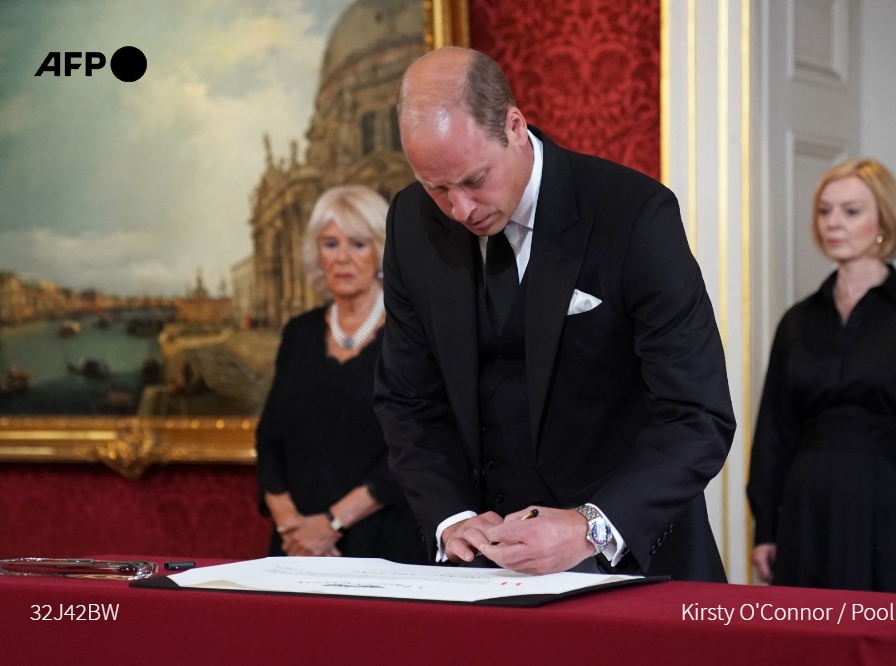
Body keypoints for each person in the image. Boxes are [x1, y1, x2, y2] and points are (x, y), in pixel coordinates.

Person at [373, 47, 735, 579]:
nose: (460, 209)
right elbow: (408, 401)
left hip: (633, 567)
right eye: (437, 188)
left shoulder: (633, 214)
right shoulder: (410, 221)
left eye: (474, 180)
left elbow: (698, 417)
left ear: (515, 127)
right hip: (480, 576)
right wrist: (452, 518)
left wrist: (590, 528)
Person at [747, 158, 896, 594]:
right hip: (807, 508)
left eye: (851, 211)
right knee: (809, 632)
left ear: (884, 221)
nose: (833, 222)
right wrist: (766, 529)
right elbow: (774, 434)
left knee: (891, 630)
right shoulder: (796, 321)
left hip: (893, 503)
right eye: (824, 211)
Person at [256, 185, 425, 564]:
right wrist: (292, 528)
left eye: (358, 244)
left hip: (385, 544)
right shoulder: (299, 333)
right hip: (297, 549)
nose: (342, 257)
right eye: (330, 244)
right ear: (316, 253)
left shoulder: (413, 333)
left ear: (380, 250)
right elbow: (269, 439)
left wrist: (331, 524)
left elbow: (418, 444)